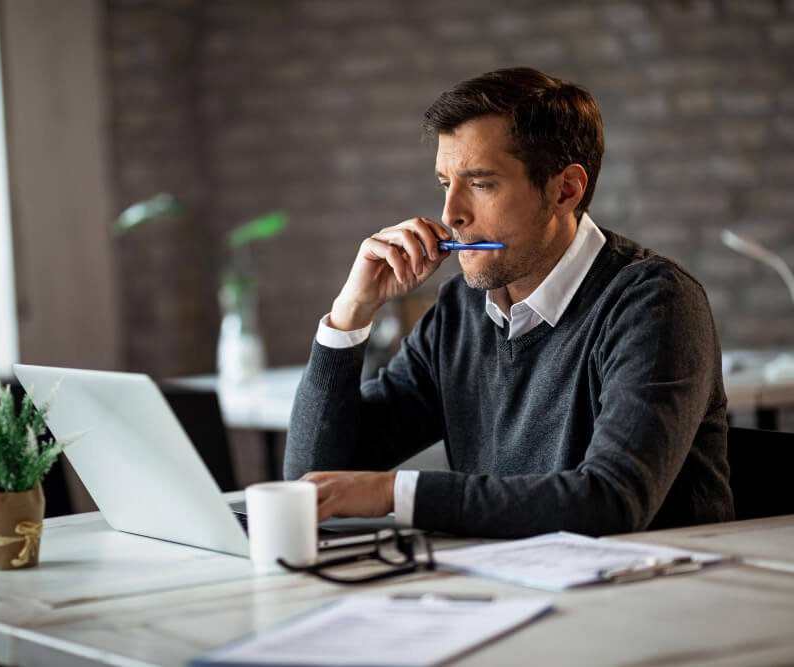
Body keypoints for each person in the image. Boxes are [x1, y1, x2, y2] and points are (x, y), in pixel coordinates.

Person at [283, 67, 734, 538]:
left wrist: (393, 493)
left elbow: (611, 501)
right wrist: (350, 313)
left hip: (655, 597)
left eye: (481, 183)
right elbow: (312, 480)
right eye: (445, 183)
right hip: (514, 589)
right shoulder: (459, 310)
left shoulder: (654, 303)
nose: (451, 214)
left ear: (566, 190)